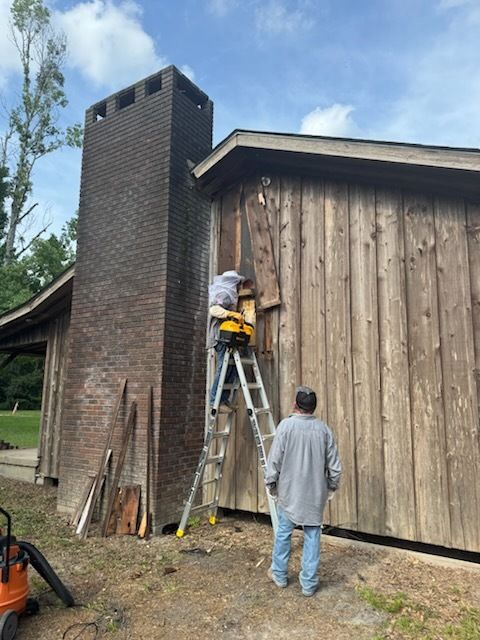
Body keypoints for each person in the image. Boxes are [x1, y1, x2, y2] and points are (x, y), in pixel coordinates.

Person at [265, 386, 341, 597]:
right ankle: (308, 583)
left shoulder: (286, 427)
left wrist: (271, 484)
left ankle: (279, 574)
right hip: (314, 495)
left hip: (289, 493)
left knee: (283, 533)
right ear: (313, 408)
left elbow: (275, 460)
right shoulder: (323, 430)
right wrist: (332, 486)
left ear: (295, 405)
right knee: (312, 536)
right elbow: (334, 466)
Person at [207, 270, 246, 407]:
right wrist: (231, 314)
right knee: (223, 367)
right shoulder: (224, 294)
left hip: (227, 336)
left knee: (231, 368)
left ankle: (222, 399)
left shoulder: (227, 294)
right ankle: (214, 400)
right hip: (220, 336)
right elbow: (214, 310)